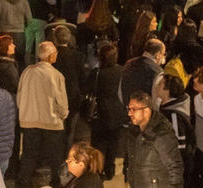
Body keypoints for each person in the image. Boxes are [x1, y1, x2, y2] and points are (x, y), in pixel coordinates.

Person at [17, 41, 69, 188]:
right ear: (51, 56)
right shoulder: (56, 75)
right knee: (55, 157)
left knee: (29, 155)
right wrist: (63, 114)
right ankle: (57, 183)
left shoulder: (27, 72)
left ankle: (23, 183)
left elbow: (20, 96)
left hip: (29, 121)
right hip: (51, 122)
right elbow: (61, 101)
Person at [125, 91, 184, 188]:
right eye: (129, 109)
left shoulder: (162, 134)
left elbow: (175, 168)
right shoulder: (133, 131)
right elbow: (130, 159)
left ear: (146, 112)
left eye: (133, 110)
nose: (129, 113)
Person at [86, 43, 127, 181]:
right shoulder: (122, 71)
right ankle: (110, 170)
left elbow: (88, 89)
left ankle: (98, 170)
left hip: (100, 112)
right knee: (113, 143)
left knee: (98, 143)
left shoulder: (97, 73)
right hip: (117, 112)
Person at [52, 25, 87, 154]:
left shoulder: (51, 56)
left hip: (54, 96)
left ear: (55, 39)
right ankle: (67, 154)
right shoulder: (78, 56)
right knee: (70, 130)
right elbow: (83, 78)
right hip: (72, 95)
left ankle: (55, 154)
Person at [156, 74, 194, 188]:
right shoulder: (167, 107)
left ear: (167, 90)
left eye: (160, 84)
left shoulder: (174, 115)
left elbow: (179, 147)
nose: (157, 86)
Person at [120, 39, 165, 105]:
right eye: (163, 54)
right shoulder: (158, 72)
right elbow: (157, 99)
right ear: (158, 54)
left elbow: (120, 92)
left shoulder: (128, 64)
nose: (164, 57)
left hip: (128, 107)